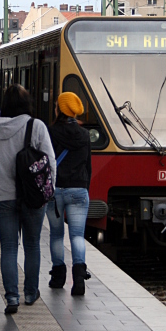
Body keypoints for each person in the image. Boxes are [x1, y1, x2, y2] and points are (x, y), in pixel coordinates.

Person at [0, 84, 55, 314]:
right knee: (32, 245)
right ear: (27, 104)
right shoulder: (36, 126)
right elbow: (50, 161)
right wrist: (49, 190)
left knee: (8, 247)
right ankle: (31, 293)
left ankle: (12, 297)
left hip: (1, 196)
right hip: (33, 195)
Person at [46, 92, 93, 295]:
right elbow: (88, 165)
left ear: (59, 109)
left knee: (56, 235)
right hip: (78, 189)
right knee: (77, 235)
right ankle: (79, 280)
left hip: (55, 190)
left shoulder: (50, 131)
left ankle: (58, 278)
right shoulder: (84, 135)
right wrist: (84, 187)